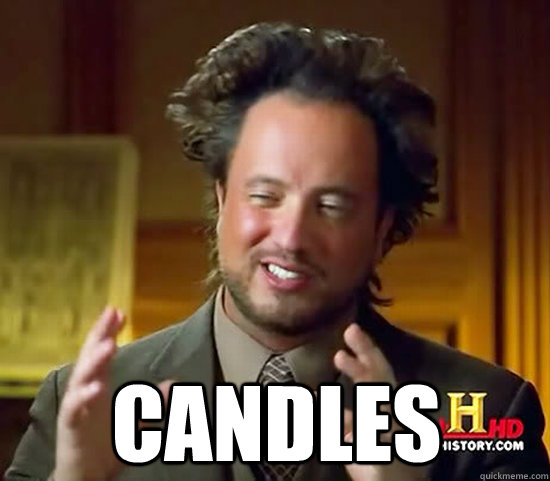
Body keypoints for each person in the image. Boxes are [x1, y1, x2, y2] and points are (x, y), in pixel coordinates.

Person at [5, 22, 549, 481]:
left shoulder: (486, 416)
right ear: (222, 198)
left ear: (383, 227)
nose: (290, 238)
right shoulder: (83, 409)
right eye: (265, 196)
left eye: (331, 206)